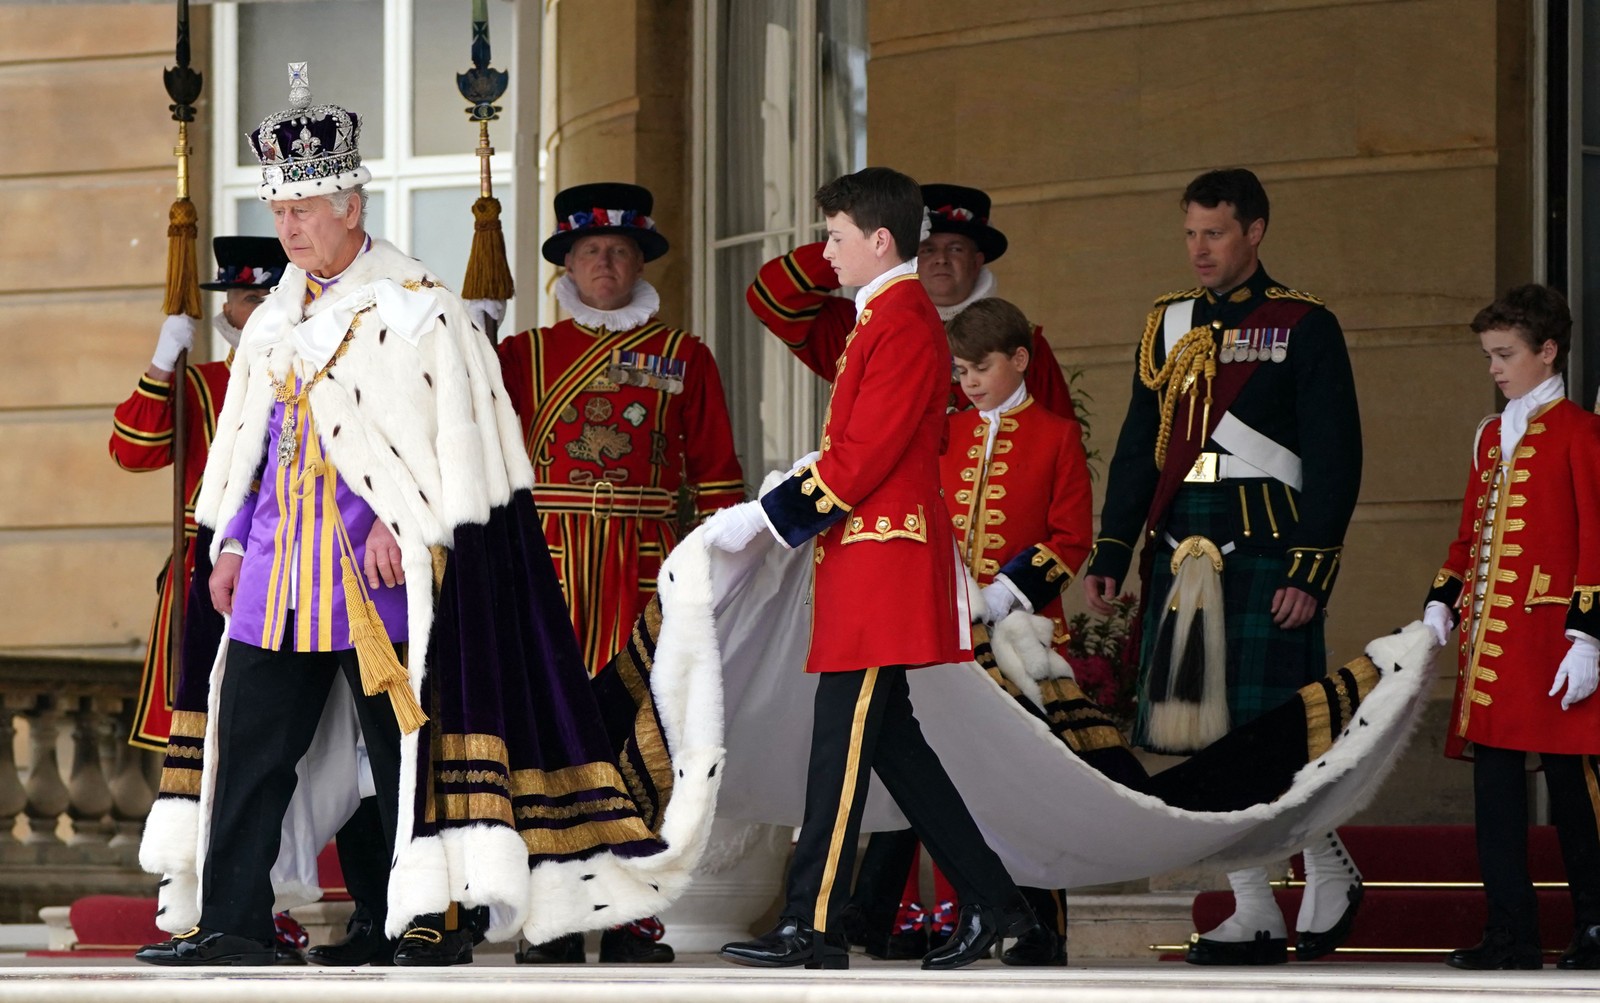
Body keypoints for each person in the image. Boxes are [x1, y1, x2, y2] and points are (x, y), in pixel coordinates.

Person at [135, 64, 712, 969]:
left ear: (352, 207)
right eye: (279, 210)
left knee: (404, 763)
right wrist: (234, 539)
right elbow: (250, 448)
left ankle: (425, 921)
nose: (289, 227)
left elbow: (458, 447)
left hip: (377, 577)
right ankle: (232, 922)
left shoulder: (421, 312)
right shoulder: (273, 323)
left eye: (306, 208)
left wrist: (400, 523)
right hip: (276, 576)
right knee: (247, 758)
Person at [706, 166, 1048, 972]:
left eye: (834, 236)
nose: (823, 253)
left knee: (842, 743)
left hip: (884, 559)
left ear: (880, 240)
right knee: (895, 747)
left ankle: (812, 922)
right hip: (868, 558)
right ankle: (1000, 906)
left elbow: (864, 454)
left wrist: (772, 517)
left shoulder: (899, 318)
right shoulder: (884, 314)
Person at [1081, 168, 1364, 965]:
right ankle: (1252, 906)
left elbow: (1336, 454)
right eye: (1190, 233)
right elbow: (1141, 449)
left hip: (1268, 544)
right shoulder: (1165, 324)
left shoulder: (1304, 324)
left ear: (1255, 232)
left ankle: (1328, 860)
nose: (1199, 249)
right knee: (1206, 735)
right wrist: (1112, 547)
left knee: (1273, 729)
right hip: (1181, 544)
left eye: (1215, 232)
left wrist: (1310, 569)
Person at [493, 181, 745, 965]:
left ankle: (632, 911)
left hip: (643, 571)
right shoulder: (522, 355)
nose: (607, 263)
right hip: (551, 574)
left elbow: (717, 477)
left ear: (641, 260)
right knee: (552, 742)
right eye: (592, 250)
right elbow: (487, 472)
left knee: (644, 739)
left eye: (621, 250)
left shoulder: (683, 355)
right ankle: (556, 914)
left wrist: (717, 579)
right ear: (567, 261)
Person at [1422, 284, 1600, 971]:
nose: (1494, 367)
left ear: (1547, 350)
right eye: (1489, 354)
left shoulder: (1583, 432)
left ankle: (1593, 924)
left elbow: (1596, 541)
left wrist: (1590, 638)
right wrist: (1441, 599)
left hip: (1555, 646)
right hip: (1492, 647)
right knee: (1494, 794)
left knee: (1575, 793)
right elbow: (1469, 537)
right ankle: (1510, 929)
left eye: (1505, 354)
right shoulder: (1492, 436)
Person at [932, 296, 1093, 965]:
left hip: (1027, 637)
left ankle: (1041, 924)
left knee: (1032, 781)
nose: (968, 381)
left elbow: (1072, 536)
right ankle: (970, 911)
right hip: (951, 637)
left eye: (980, 367)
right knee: (959, 777)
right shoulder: (947, 433)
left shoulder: (1056, 433)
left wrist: (1007, 590)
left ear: (1019, 359)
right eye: (960, 369)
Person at [111, 236, 288, 752]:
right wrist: (163, 362)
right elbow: (131, 451)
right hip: (206, 574)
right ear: (227, 308)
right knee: (202, 737)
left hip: (297, 563)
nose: (262, 311)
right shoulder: (200, 386)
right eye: (252, 299)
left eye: (276, 297)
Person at [747, 183, 1075, 417]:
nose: (941, 259)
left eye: (956, 249)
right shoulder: (863, 328)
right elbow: (771, 296)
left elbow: (1059, 450)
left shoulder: (1021, 341)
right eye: (926, 248)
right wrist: (869, 249)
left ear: (977, 262)